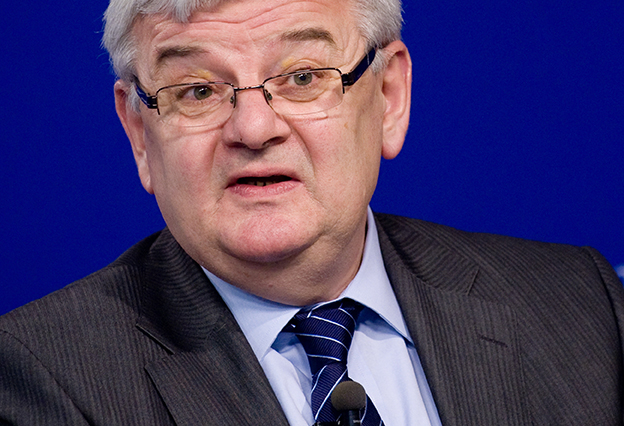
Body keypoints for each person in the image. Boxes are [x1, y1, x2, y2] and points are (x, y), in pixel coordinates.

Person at [1, 0, 622, 424]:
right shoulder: (43, 378)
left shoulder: (578, 302)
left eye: (302, 77)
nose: (253, 129)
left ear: (389, 96)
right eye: (198, 90)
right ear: (140, 133)